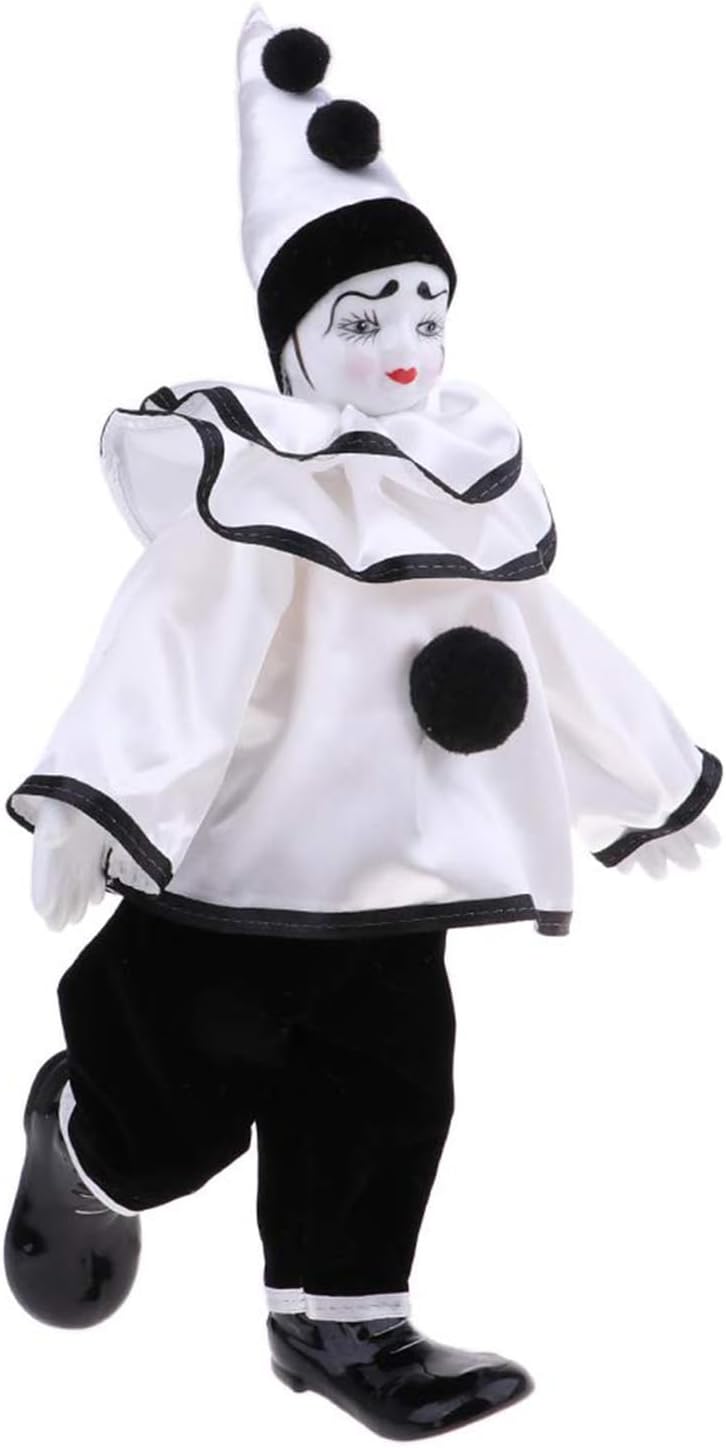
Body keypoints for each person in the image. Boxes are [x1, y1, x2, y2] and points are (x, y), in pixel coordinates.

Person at [4, 9, 721, 1440]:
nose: (405, 344)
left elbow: (549, 650)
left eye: (425, 312)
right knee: (184, 1099)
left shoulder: (461, 483)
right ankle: (87, 1131)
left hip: (399, 867)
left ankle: (343, 1321)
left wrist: (650, 787)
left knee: (392, 1092)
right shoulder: (256, 491)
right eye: (364, 317)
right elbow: (167, 653)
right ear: (294, 336)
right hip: (249, 860)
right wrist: (91, 800)